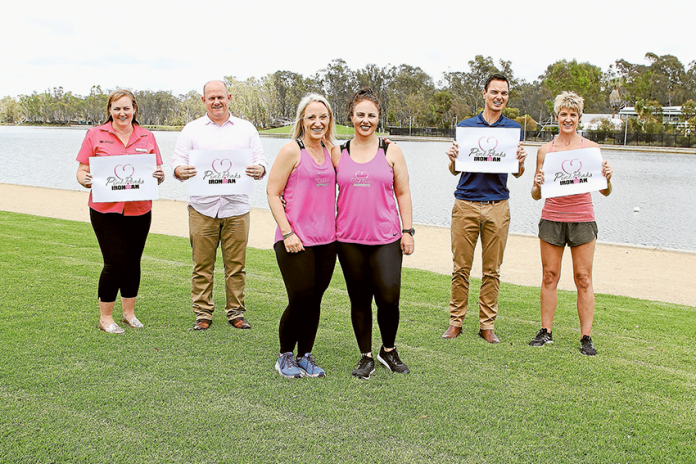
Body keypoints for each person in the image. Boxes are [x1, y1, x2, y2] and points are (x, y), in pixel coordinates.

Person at [171, 80, 268, 331]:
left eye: (221, 97)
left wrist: (260, 169)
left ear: (229, 98)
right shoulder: (191, 130)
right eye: (211, 97)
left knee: (236, 265)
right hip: (202, 208)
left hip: (237, 207)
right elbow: (177, 163)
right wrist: (181, 170)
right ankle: (203, 313)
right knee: (202, 265)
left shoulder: (246, 129)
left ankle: (236, 312)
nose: (216, 102)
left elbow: (261, 161)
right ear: (203, 100)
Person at [332, 88, 414, 379]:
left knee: (389, 298)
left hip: (386, 238)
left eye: (371, 115)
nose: (365, 120)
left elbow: (402, 193)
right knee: (359, 299)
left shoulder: (391, 150)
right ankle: (366, 356)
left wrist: (408, 231)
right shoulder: (337, 152)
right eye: (360, 114)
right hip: (348, 239)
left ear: (379, 118)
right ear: (351, 116)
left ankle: (388, 351)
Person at [442, 73, 527, 343]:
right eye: (494, 92)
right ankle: (456, 322)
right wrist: (453, 159)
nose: (499, 97)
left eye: (503, 93)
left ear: (507, 97)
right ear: (484, 94)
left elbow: (517, 173)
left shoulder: (513, 129)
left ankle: (487, 325)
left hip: (498, 205)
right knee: (460, 269)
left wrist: (522, 162)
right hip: (465, 203)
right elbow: (455, 169)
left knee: (492, 270)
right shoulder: (467, 127)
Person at [529, 91, 613, 356]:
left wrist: (608, 178)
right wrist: (537, 183)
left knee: (583, 278)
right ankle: (546, 332)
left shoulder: (591, 149)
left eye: (573, 114)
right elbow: (535, 194)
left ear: (579, 118)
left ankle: (586, 337)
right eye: (563, 114)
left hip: (582, 219)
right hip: (552, 218)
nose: (568, 119)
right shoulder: (545, 151)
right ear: (556, 117)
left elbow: (605, 191)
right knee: (549, 275)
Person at [75, 90, 165, 334]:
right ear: (110, 110)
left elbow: (158, 172)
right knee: (114, 263)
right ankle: (106, 317)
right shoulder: (95, 134)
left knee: (133, 262)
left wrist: (159, 176)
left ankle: (128, 314)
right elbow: (82, 170)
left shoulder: (147, 136)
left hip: (139, 209)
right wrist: (86, 180)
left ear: (134, 109)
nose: (122, 113)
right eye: (117, 109)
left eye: (127, 108)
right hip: (105, 210)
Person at [266, 94, 338, 379]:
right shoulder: (291, 151)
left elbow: (359, 167)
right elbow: (273, 193)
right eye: (311, 117)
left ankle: (305, 355)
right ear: (302, 121)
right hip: (294, 239)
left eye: (323, 117)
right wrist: (288, 232)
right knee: (300, 298)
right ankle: (285, 356)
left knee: (315, 299)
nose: (318, 122)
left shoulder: (332, 151)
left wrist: (384, 146)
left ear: (329, 120)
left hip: (327, 241)